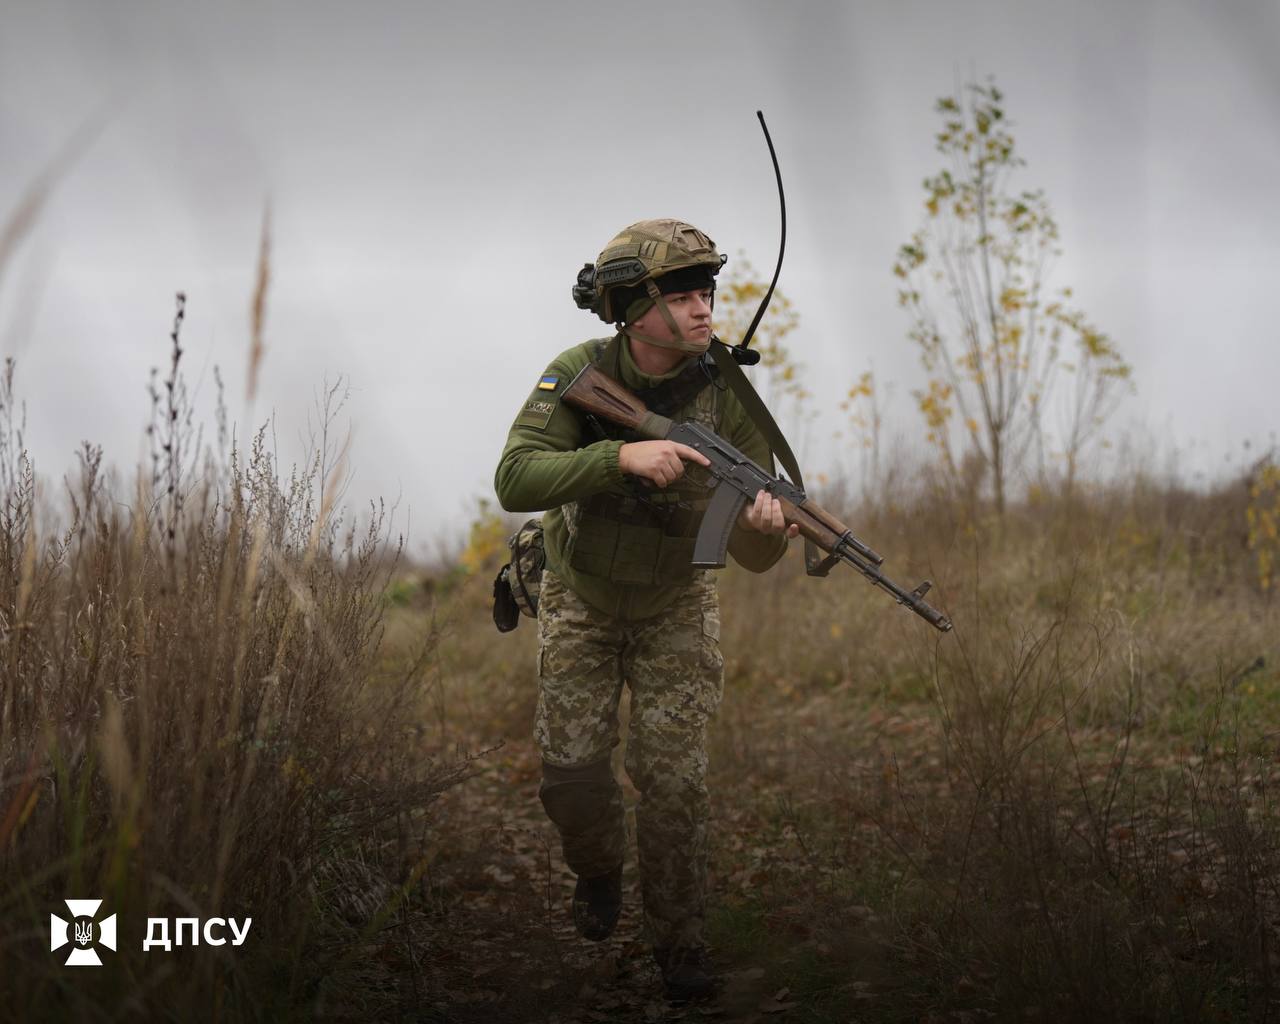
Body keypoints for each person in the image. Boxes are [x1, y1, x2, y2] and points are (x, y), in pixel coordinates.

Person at [493, 219, 798, 1002]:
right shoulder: (579, 372)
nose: (704, 311)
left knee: (675, 783)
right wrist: (618, 456)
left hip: (675, 603)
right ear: (635, 309)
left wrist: (766, 526)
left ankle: (682, 946)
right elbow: (517, 478)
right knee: (572, 778)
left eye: (708, 294)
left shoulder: (726, 394)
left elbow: (754, 550)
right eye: (685, 296)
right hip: (581, 596)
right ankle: (598, 872)